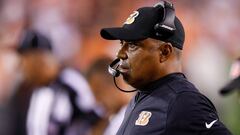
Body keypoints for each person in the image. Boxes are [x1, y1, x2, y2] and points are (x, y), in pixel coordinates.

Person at [100, 1, 231, 135]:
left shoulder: (183, 102)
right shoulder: (142, 97)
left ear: (164, 52)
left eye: (133, 45)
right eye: (122, 44)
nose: (120, 53)